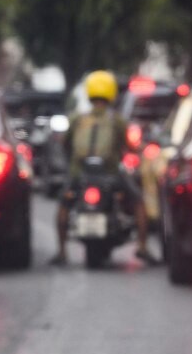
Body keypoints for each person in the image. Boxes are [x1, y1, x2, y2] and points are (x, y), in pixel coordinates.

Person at [51, 70, 154, 266]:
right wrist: (142, 150)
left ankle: (62, 251)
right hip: (111, 174)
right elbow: (129, 146)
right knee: (138, 200)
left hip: (79, 174)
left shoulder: (77, 118)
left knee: (64, 203)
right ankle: (142, 247)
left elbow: (65, 143)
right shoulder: (117, 120)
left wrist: (70, 165)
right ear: (112, 93)